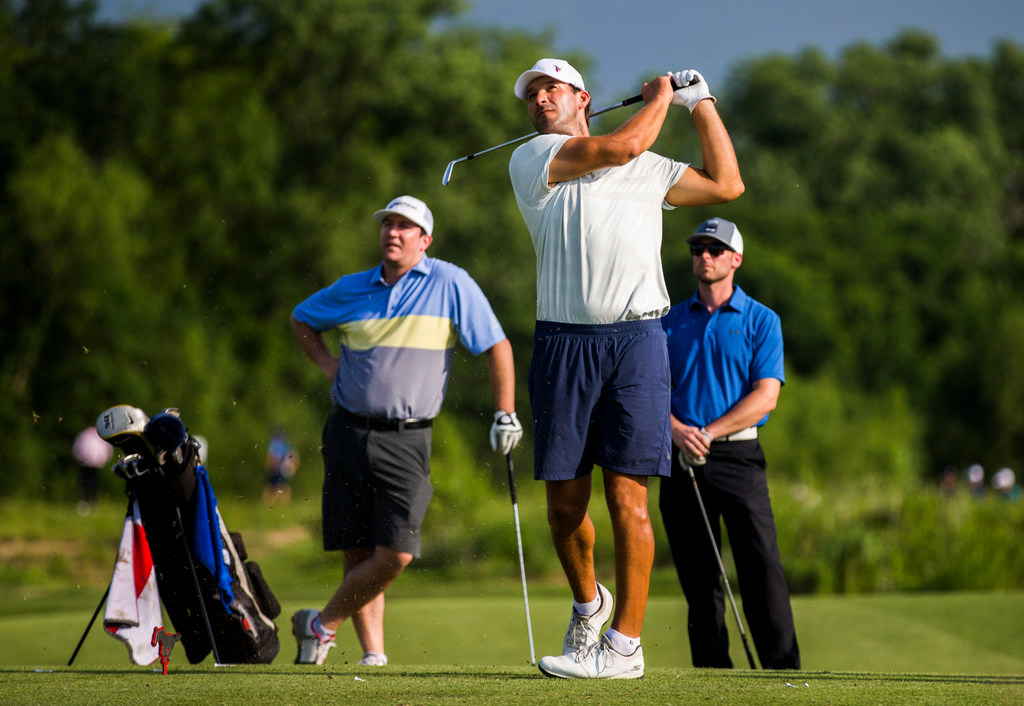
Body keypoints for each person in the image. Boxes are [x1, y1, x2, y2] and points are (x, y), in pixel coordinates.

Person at [508, 58, 743, 679]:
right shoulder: (534, 158)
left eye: (550, 89)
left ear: (580, 96)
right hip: (563, 342)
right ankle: (589, 605)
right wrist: (663, 94)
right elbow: (625, 144)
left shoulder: (644, 166)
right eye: (531, 95)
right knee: (564, 505)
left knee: (628, 498)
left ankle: (624, 645)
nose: (539, 101)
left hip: (638, 339)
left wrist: (702, 103)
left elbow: (726, 185)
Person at [288, 195, 522, 667]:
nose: (393, 232)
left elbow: (497, 345)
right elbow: (302, 319)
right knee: (358, 547)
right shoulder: (353, 288)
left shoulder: (450, 283)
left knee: (395, 551)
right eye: (388, 224)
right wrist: (328, 366)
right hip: (347, 432)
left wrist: (505, 412)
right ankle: (373, 654)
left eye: (405, 226)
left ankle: (321, 625)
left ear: (425, 240)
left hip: (407, 436)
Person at [659, 217, 800, 669]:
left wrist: (708, 432)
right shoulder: (669, 321)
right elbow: (650, 391)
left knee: (761, 568)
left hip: (738, 456)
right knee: (699, 578)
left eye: (715, 250)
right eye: (698, 248)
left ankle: (782, 671)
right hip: (681, 459)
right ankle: (712, 677)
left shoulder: (762, 319)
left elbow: (766, 395)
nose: (704, 256)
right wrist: (677, 431)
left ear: (735, 259)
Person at [72, 425, 113, 515]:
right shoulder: (87, 435)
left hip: (96, 464)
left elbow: (108, 450)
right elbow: (77, 448)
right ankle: (84, 504)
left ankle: (93, 504)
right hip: (87, 464)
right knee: (86, 485)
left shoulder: (89, 435)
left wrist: (103, 460)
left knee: (93, 485)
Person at [263, 428, 299, 504]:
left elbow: (273, 458)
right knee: (283, 486)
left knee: (274, 487)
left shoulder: (275, 444)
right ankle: (283, 505)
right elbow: (296, 457)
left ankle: (270, 505)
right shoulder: (287, 445)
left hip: (276, 469)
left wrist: (270, 467)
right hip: (285, 470)